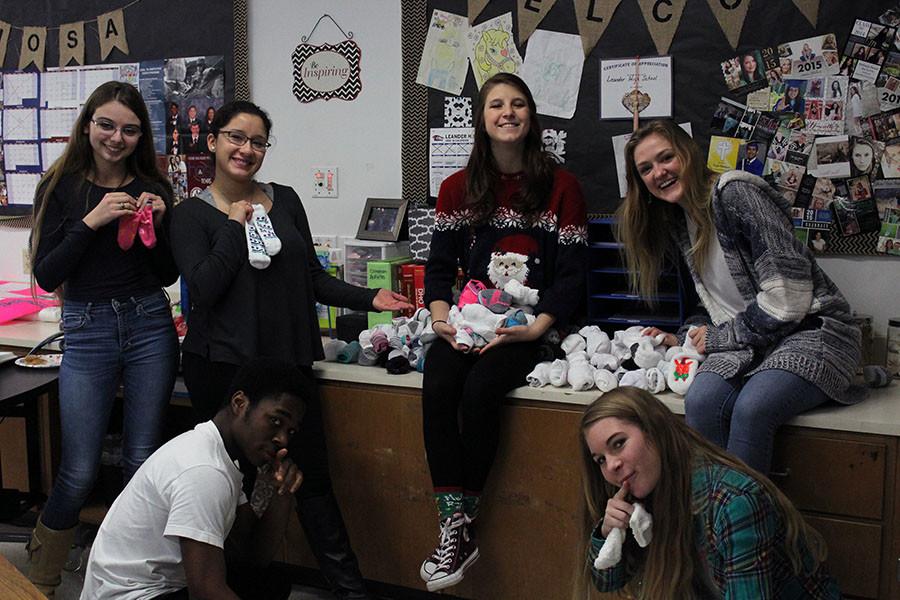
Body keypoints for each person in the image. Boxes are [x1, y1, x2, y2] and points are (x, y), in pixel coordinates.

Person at [170, 100, 411, 600]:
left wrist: (371, 298)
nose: (247, 149)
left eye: (259, 141)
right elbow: (205, 287)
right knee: (227, 491)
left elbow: (310, 277)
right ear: (212, 141)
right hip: (225, 372)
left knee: (312, 480)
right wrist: (235, 226)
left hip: (287, 366)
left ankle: (350, 592)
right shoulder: (191, 215)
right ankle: (229, 587)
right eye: (237, 137)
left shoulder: (287, 200)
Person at [419, 72, 587, 592]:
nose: (507, 113)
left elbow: (572, 277)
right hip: (468, 322)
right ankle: (455, 525)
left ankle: (461, 526)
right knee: (439, 382)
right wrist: (442, 319)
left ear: (531, 116)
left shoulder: (562, 187)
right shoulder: (456, 188)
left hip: (531, 329)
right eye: (496, 104)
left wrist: (533, 328)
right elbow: (440, 266)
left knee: (482, 388)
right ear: (482, 118)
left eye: (517, 104)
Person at [616, 120, 862, 475]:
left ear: (688, 153)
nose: (659, 172)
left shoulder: (735, 194)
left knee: (753, 407)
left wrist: (718, 338)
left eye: (666, 157)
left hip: (812, 331)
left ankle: (742, 526)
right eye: (646, 169)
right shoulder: (679, 222)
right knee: (701, 401)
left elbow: (788, 297)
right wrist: (683, 338)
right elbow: (718, 305)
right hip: (752, 343)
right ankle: (711, 518)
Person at [27, 81, 180, 596]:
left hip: (149, 324)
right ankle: (41, 579)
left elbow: (164, 273)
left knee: (142, 460)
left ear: (142, 135)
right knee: (78, 468)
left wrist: (160, 222)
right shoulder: (62, 186)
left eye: (130, 129)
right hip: (87, 328)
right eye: (107, 125)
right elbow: (48, 275)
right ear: (88, 124)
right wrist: (91, 222)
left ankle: (130, 577)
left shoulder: (154, 187)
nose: (117, 138)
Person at [577, 387, 841, 599]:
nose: (612, 465)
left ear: (654, 431)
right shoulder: (644, 500)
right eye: (600, 459)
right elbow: (606, 581)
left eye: (619, 443)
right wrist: (607, 533)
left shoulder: (734, 503)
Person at [81, 358, 307, 600]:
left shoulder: (222, 456)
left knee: (270, 583)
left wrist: (282, 493)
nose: (282, 439)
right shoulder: (205, 471)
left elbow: (254, 556)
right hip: (130, 595)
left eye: (290, 431)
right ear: (240, 403)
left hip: (160, 587)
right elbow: (206, 592)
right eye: (275, 421)